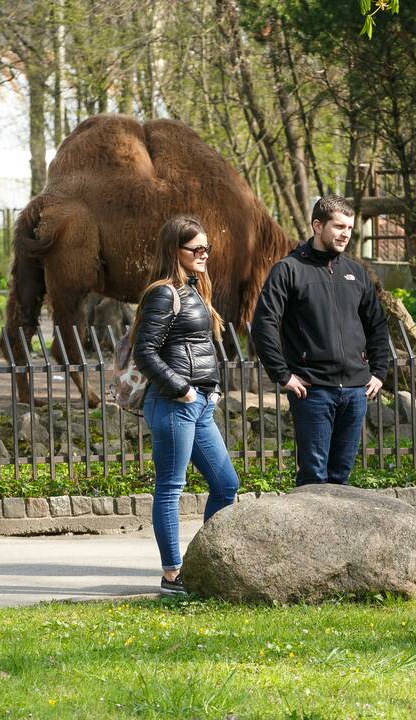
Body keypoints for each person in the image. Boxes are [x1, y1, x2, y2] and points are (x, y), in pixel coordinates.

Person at [132, 214, 239, 595]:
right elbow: (144, 352)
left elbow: (200, 348)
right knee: (171, 487)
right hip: (175, 403)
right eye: (196, 248)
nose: (204, 254)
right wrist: (183, 390)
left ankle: (204, 563)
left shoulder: (195, 288)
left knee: (227, 484)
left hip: (199, 404)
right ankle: (172, 573)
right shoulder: (164, 292)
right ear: (174, 250)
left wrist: (210, 390)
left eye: (206, 248)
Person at [251, 194, 390, 486]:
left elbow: (377, 324)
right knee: (314, 478)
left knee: (341, 478)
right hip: (313, 391)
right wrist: (283, 375)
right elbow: (264, 325)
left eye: (350, 228)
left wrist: (379, 371)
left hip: (355, 391)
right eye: (339, 227)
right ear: (317, 225)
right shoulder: (288, 270)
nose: (345, 234)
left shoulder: (356, 273)